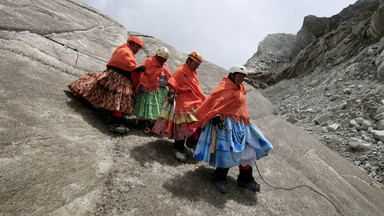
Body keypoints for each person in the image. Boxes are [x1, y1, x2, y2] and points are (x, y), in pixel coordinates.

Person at [191, 65, 273, 193]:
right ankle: (219, 177)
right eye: (239, 75)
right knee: (226, 152)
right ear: (231, 75)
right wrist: (214, 116)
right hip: (226, 125)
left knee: (248, 149)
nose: (241, 79)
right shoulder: (223, 88)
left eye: (243, 77)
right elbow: (212, 102)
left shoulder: (240, 89)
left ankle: (245, 178)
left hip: (241, 124)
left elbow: (241, 102)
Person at [68, 36, 146, 133]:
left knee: (116, 98)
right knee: (120, 99)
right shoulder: (124, 51)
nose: (138, 50)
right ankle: (114, 122)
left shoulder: (126, 50)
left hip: (119, 76)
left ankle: (110, 116)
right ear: (132, 44)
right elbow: (126, 63)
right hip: (117, 76)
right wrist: (137, 68)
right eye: (137, 47)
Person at [152, 51, 206, 161]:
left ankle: (192, 141)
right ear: (189, 60)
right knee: (183, 124)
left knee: (199, 120)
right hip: (181, 99)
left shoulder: (193, 73)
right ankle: (178, 147)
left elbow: (196, 88)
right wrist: (171, 92)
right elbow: (173, 82)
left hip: (192, 99)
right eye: (195, 64)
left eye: (198, 65)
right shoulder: (181, 70)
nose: (196, 67)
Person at [133, 47, 172, 133]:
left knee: (161, 109)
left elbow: (168, 76)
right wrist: (143, 84)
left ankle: (156, 125)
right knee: (151, 107)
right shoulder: (149, 61)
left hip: (162, 90)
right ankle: (147, 124)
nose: (163, 61)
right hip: (150, 88)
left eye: (165, 59)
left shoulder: (165, 65)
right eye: (161, 58)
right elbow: (143, 74)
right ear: (157, 56)